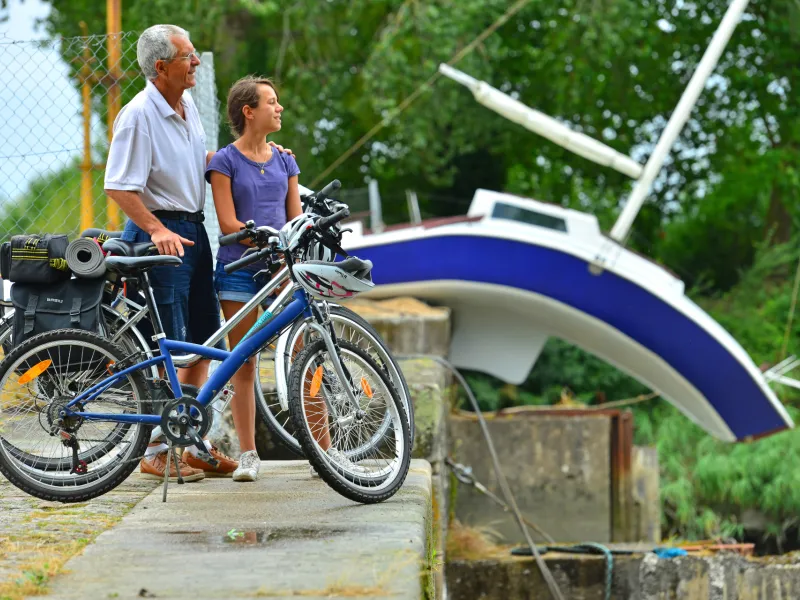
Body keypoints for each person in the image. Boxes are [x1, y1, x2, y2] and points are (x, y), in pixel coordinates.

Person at [104, 25, 292, 482]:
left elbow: (196, 160)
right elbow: (118, 184)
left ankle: (188, 443)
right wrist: (154, 229)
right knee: (169, 341)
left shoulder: (184, 105)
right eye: (189, 56)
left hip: (193, 230)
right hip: (162, 233)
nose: (197, 62)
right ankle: (155, 450)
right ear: (162, 66)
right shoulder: (138, 116)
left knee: (202, 341)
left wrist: (260, 153)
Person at [206, 76, 308, 482]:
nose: (279, 107)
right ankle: (249, 454)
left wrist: (291, 242)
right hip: (239, 270)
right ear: (249, 111)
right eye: (271, 101)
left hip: (281, 271)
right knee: (243, 362)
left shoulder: (286, 160)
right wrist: (263, 236)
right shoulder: (223, 162)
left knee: (306, 353)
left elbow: (295, 216)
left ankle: (326, 448)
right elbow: (228, 223)